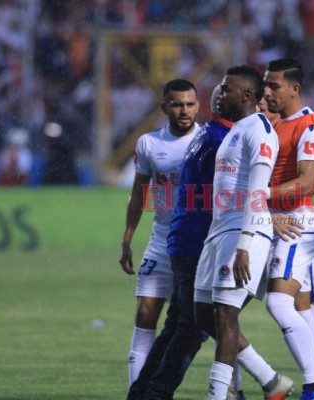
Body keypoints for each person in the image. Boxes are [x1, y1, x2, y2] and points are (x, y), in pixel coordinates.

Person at [192, 65, 291, 400]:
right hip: (219, 232)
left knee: (225, 313)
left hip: (243, 233)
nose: (219, 93)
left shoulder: (260, 131)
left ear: (247, 95)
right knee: (204, 313)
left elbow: (258, 191)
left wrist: (245, 245)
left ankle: (217, 396)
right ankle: (271, 381)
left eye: (226, 88)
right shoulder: (236, 129)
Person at [119, 78, 201, 385]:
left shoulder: (209, 140)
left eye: (190, 104)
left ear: (198, 105)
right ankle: (136, 391)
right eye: (177, 104)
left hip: (198, 244)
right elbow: (139, 195)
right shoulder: (149, 143)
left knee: (212, 320)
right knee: (145, 315)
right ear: (164, 106)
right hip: (162, 240)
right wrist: (127, 240)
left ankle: (233, 389)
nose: (184, 111)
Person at [262, 57, 314, 400]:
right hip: (285, 220)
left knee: (277, 303)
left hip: (294, 225)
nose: (268, 91)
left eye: (273, 85)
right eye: (265, 85)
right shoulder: (280, 125)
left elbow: (307, 182)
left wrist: (260, 195)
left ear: (295, 88)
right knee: (303, 313)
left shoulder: (308, 127)